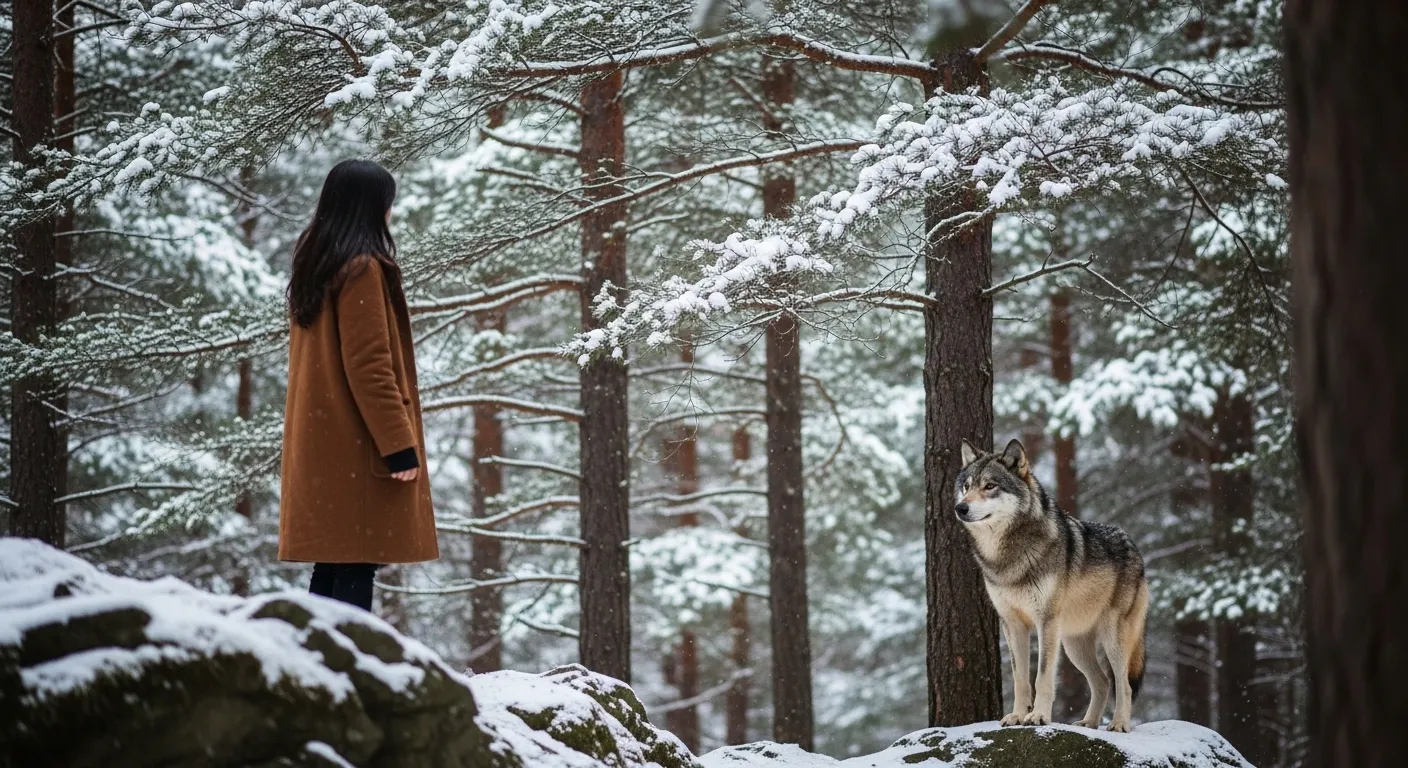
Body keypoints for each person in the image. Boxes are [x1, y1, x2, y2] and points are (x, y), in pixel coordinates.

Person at [277, 159, 438, 611]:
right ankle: (347, 669)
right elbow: (370, 367)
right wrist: (398, 445)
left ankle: (318, 661)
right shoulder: (361, 270)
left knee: (334, 562)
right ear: (369, 208)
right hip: (357, 444)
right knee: (354, 562)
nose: (390, 212)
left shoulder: (317, 266)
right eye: (387, 203)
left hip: (324, 444)